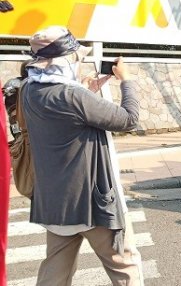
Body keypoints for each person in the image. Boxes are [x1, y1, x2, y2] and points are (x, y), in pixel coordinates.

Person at [20, 26, 142, 285]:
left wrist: (85, 90)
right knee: (124, 266)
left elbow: (66, 114)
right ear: (65, 59)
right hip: (91, 203)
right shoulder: (73, 96)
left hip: (54, 204)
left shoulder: (29, 91)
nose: (78, 63)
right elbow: (129, 119)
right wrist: (127, 80)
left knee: (54, 275)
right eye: (75, 58)